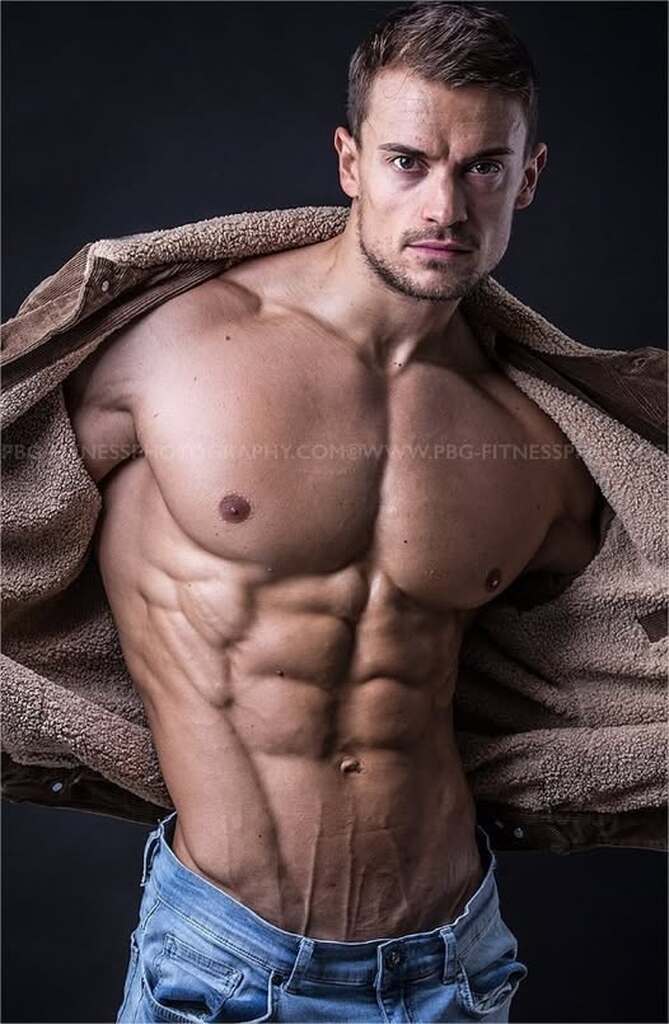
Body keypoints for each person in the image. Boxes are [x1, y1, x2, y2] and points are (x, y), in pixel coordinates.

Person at [2, 3, 665, 1023]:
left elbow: (620, 635)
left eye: (483, 168)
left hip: (455, 962)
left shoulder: (535, 436)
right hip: (222, 962)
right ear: (350, 162)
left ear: (528, 178)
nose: (445, 205)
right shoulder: (175, 348)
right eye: (408, 162)